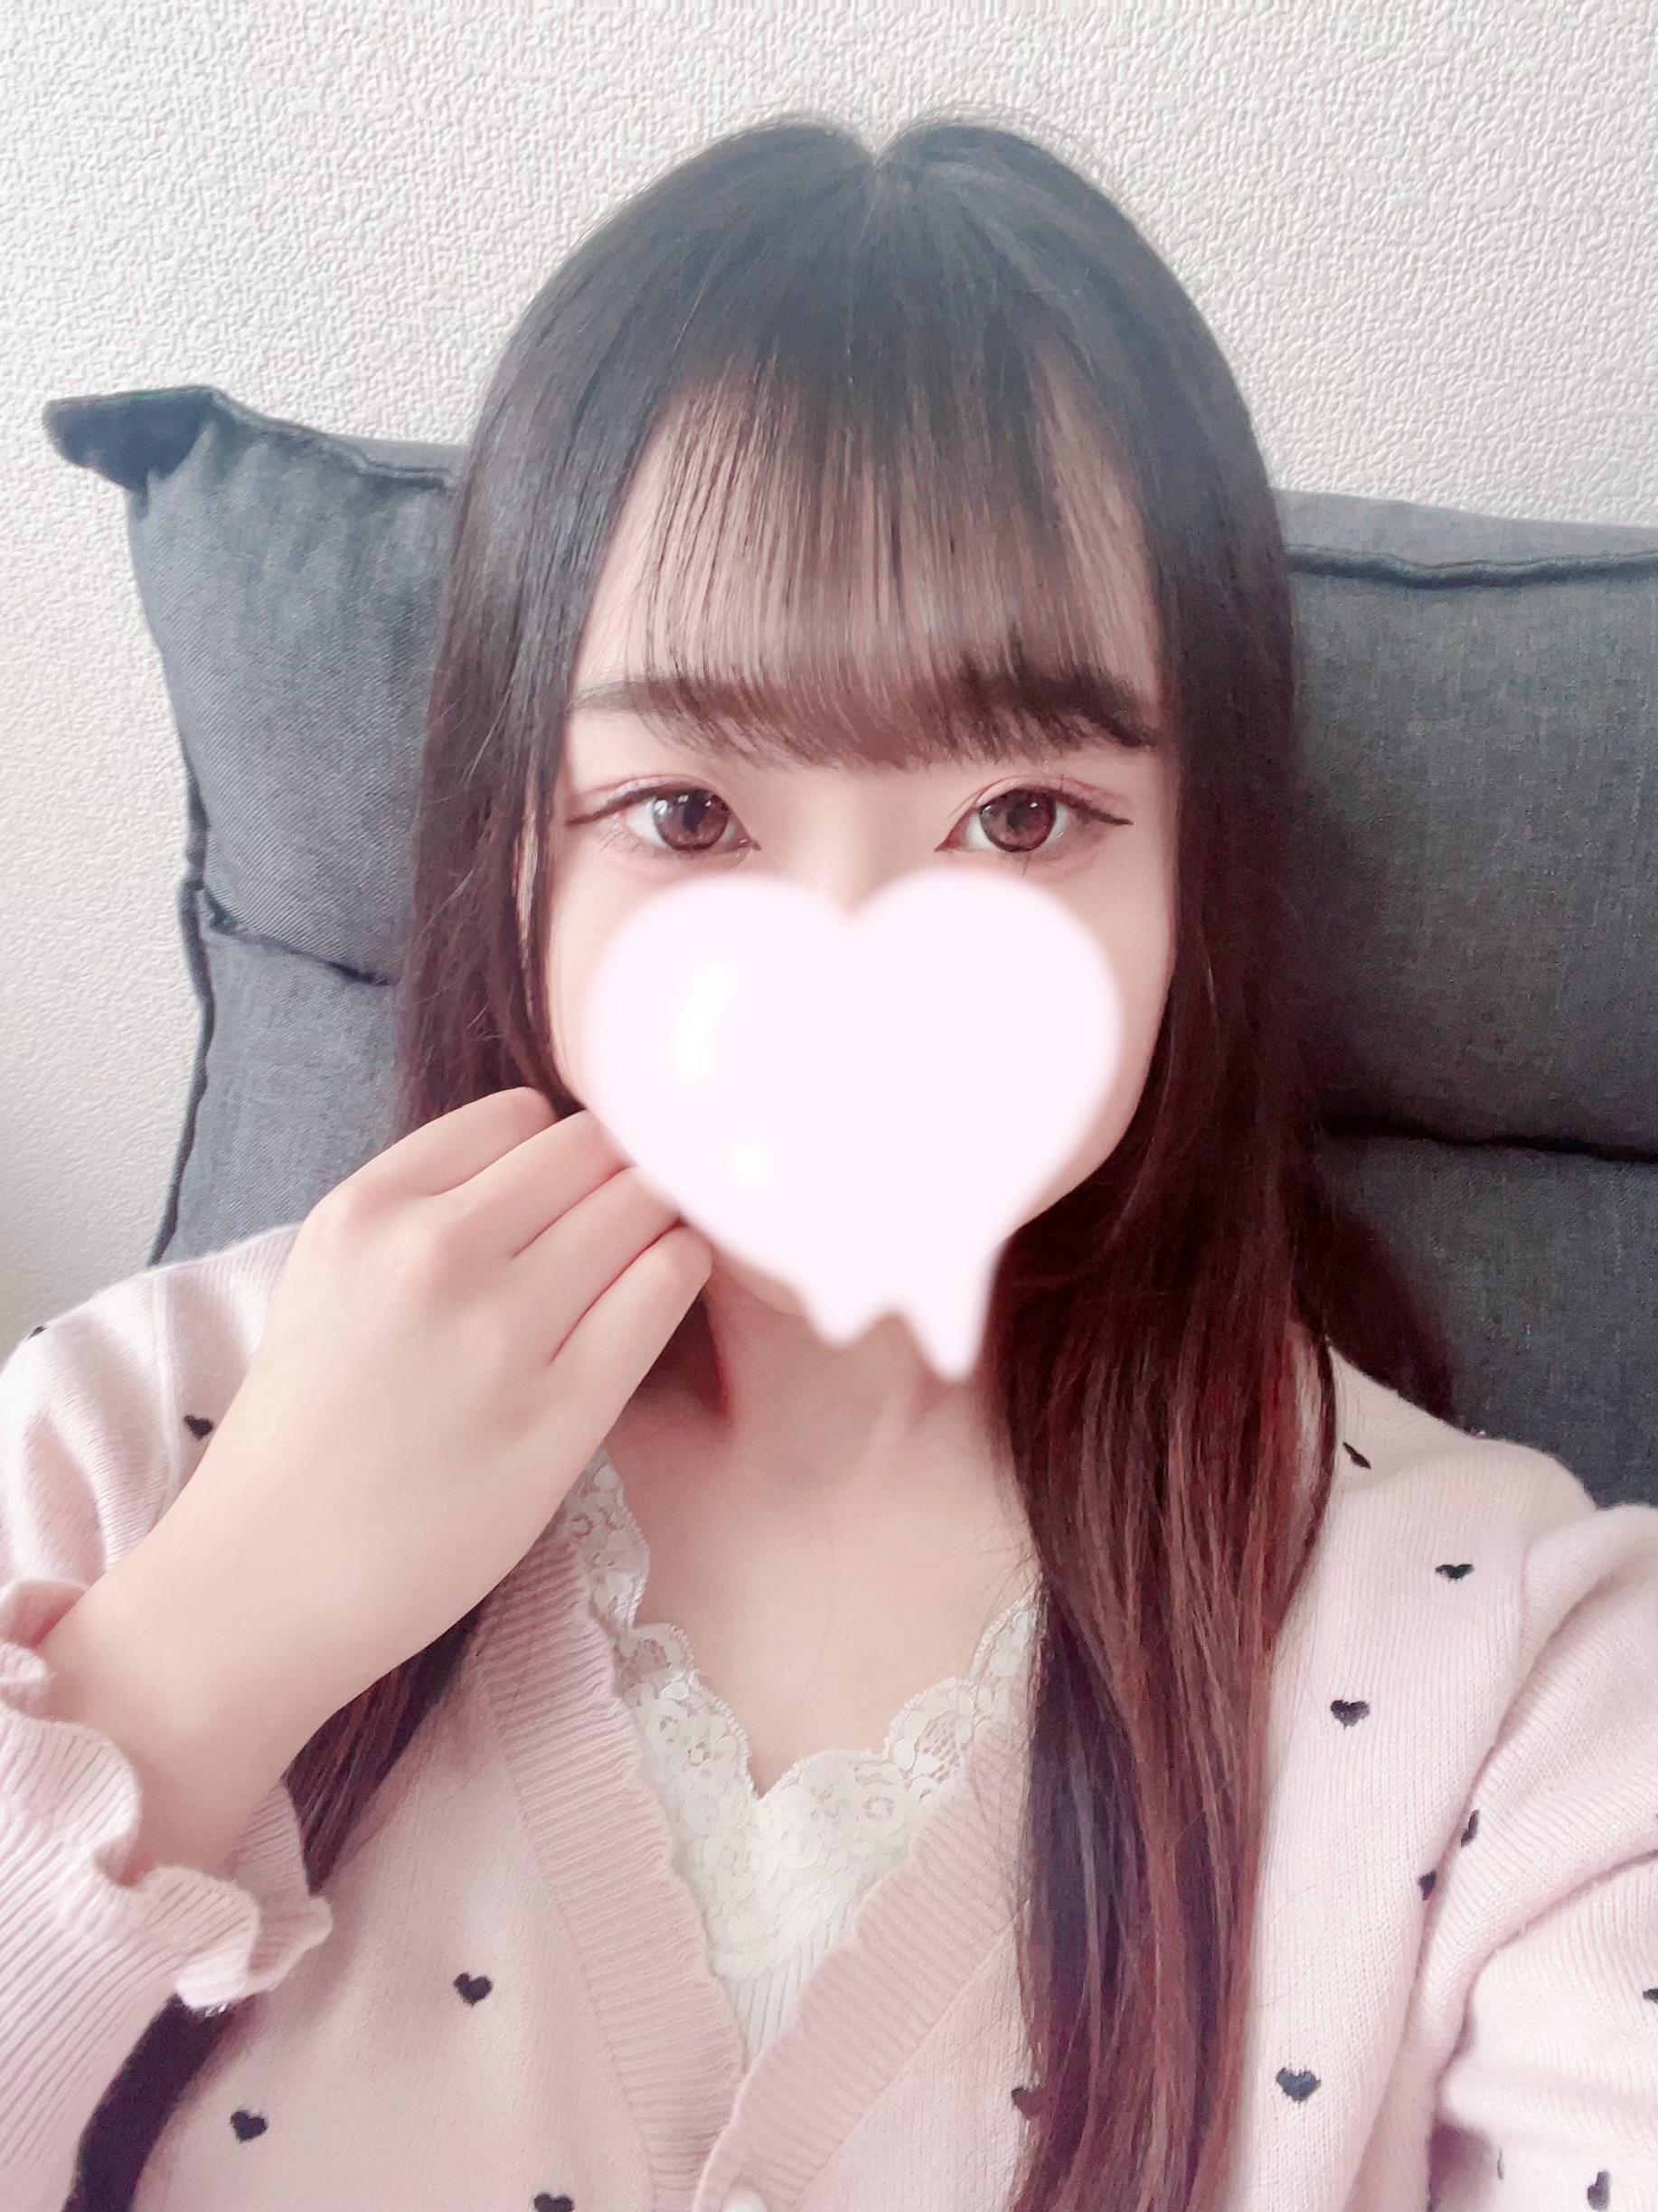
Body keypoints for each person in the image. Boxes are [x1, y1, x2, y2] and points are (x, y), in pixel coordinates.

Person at [2, 114, 1653, 2212]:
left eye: (1019, 819)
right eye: (687, 815)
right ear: (511, 848)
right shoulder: (118, 1444)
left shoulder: (1518, 1663)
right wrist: (195, 1663)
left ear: (1195, 882)